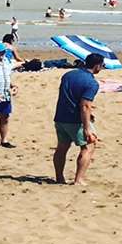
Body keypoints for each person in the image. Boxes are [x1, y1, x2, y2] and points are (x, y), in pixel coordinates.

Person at [52, 51, 104, 185]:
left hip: (60, 117)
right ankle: (78, 179)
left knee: (62, 147)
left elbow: (70, 96)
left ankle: (59, 177)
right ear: (97, 66)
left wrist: (88, 113)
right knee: (88, 147)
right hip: (75, 120)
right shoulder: (92, 83)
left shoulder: (68, 75)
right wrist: (87, 128)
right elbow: (85, 106)